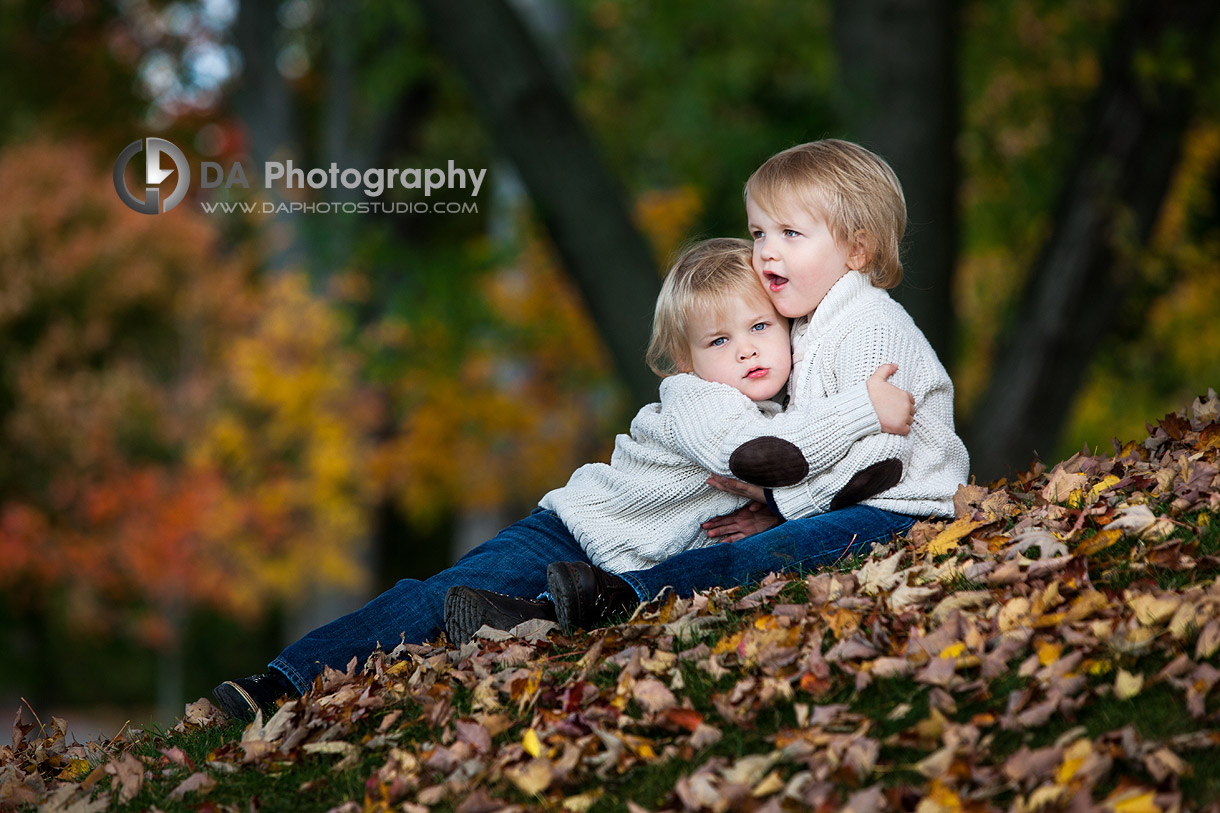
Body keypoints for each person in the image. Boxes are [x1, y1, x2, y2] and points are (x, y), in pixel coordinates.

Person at [211, 236, 912, 721]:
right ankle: (279, 681)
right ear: (686, 360)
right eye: (719, 340)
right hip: (573, 531)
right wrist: (861, 414)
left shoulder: (793, 405)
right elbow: (748, 456)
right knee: (428, 598)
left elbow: (802, 473)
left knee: (482, 611)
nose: (747, 349)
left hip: (615, 573)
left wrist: (777, 510)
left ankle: (512, 620)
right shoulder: (700, 399)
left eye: (760, 325)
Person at [509, 138, 970, 637]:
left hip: (904, 510)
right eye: (759, 233)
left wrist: (778, 505)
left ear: (857, 249)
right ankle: (554, 606)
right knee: (755, 549)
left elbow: (880, 463)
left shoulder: (870, 327)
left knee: (760, 557)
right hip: (850, 504)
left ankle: (624, 596)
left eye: (791, 233)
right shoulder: (805, 328)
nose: (768, 251)